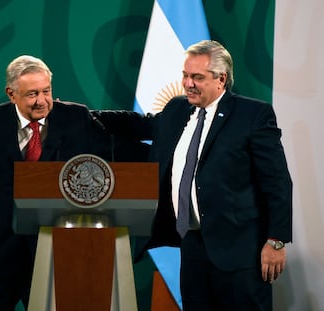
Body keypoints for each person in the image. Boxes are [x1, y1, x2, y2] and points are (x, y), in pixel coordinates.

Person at [96, 40, 293, 310]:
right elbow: (141, 125)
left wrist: (276, 240)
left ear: (221, 79)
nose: (188, 83)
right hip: (192, 247)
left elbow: (277, 182)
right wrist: (81, 115)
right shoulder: (178, 110)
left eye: (197, 77)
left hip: (240, 251)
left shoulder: (252, 115)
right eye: (185, 75)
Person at [0, 55, 139, 310]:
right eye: (32, 94)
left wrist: (167, 141)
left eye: (46, 91)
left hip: (56, 249)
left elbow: (117, 151)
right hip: (0, 250)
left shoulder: (75, 117)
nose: (42, 101)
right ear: (11, 94)